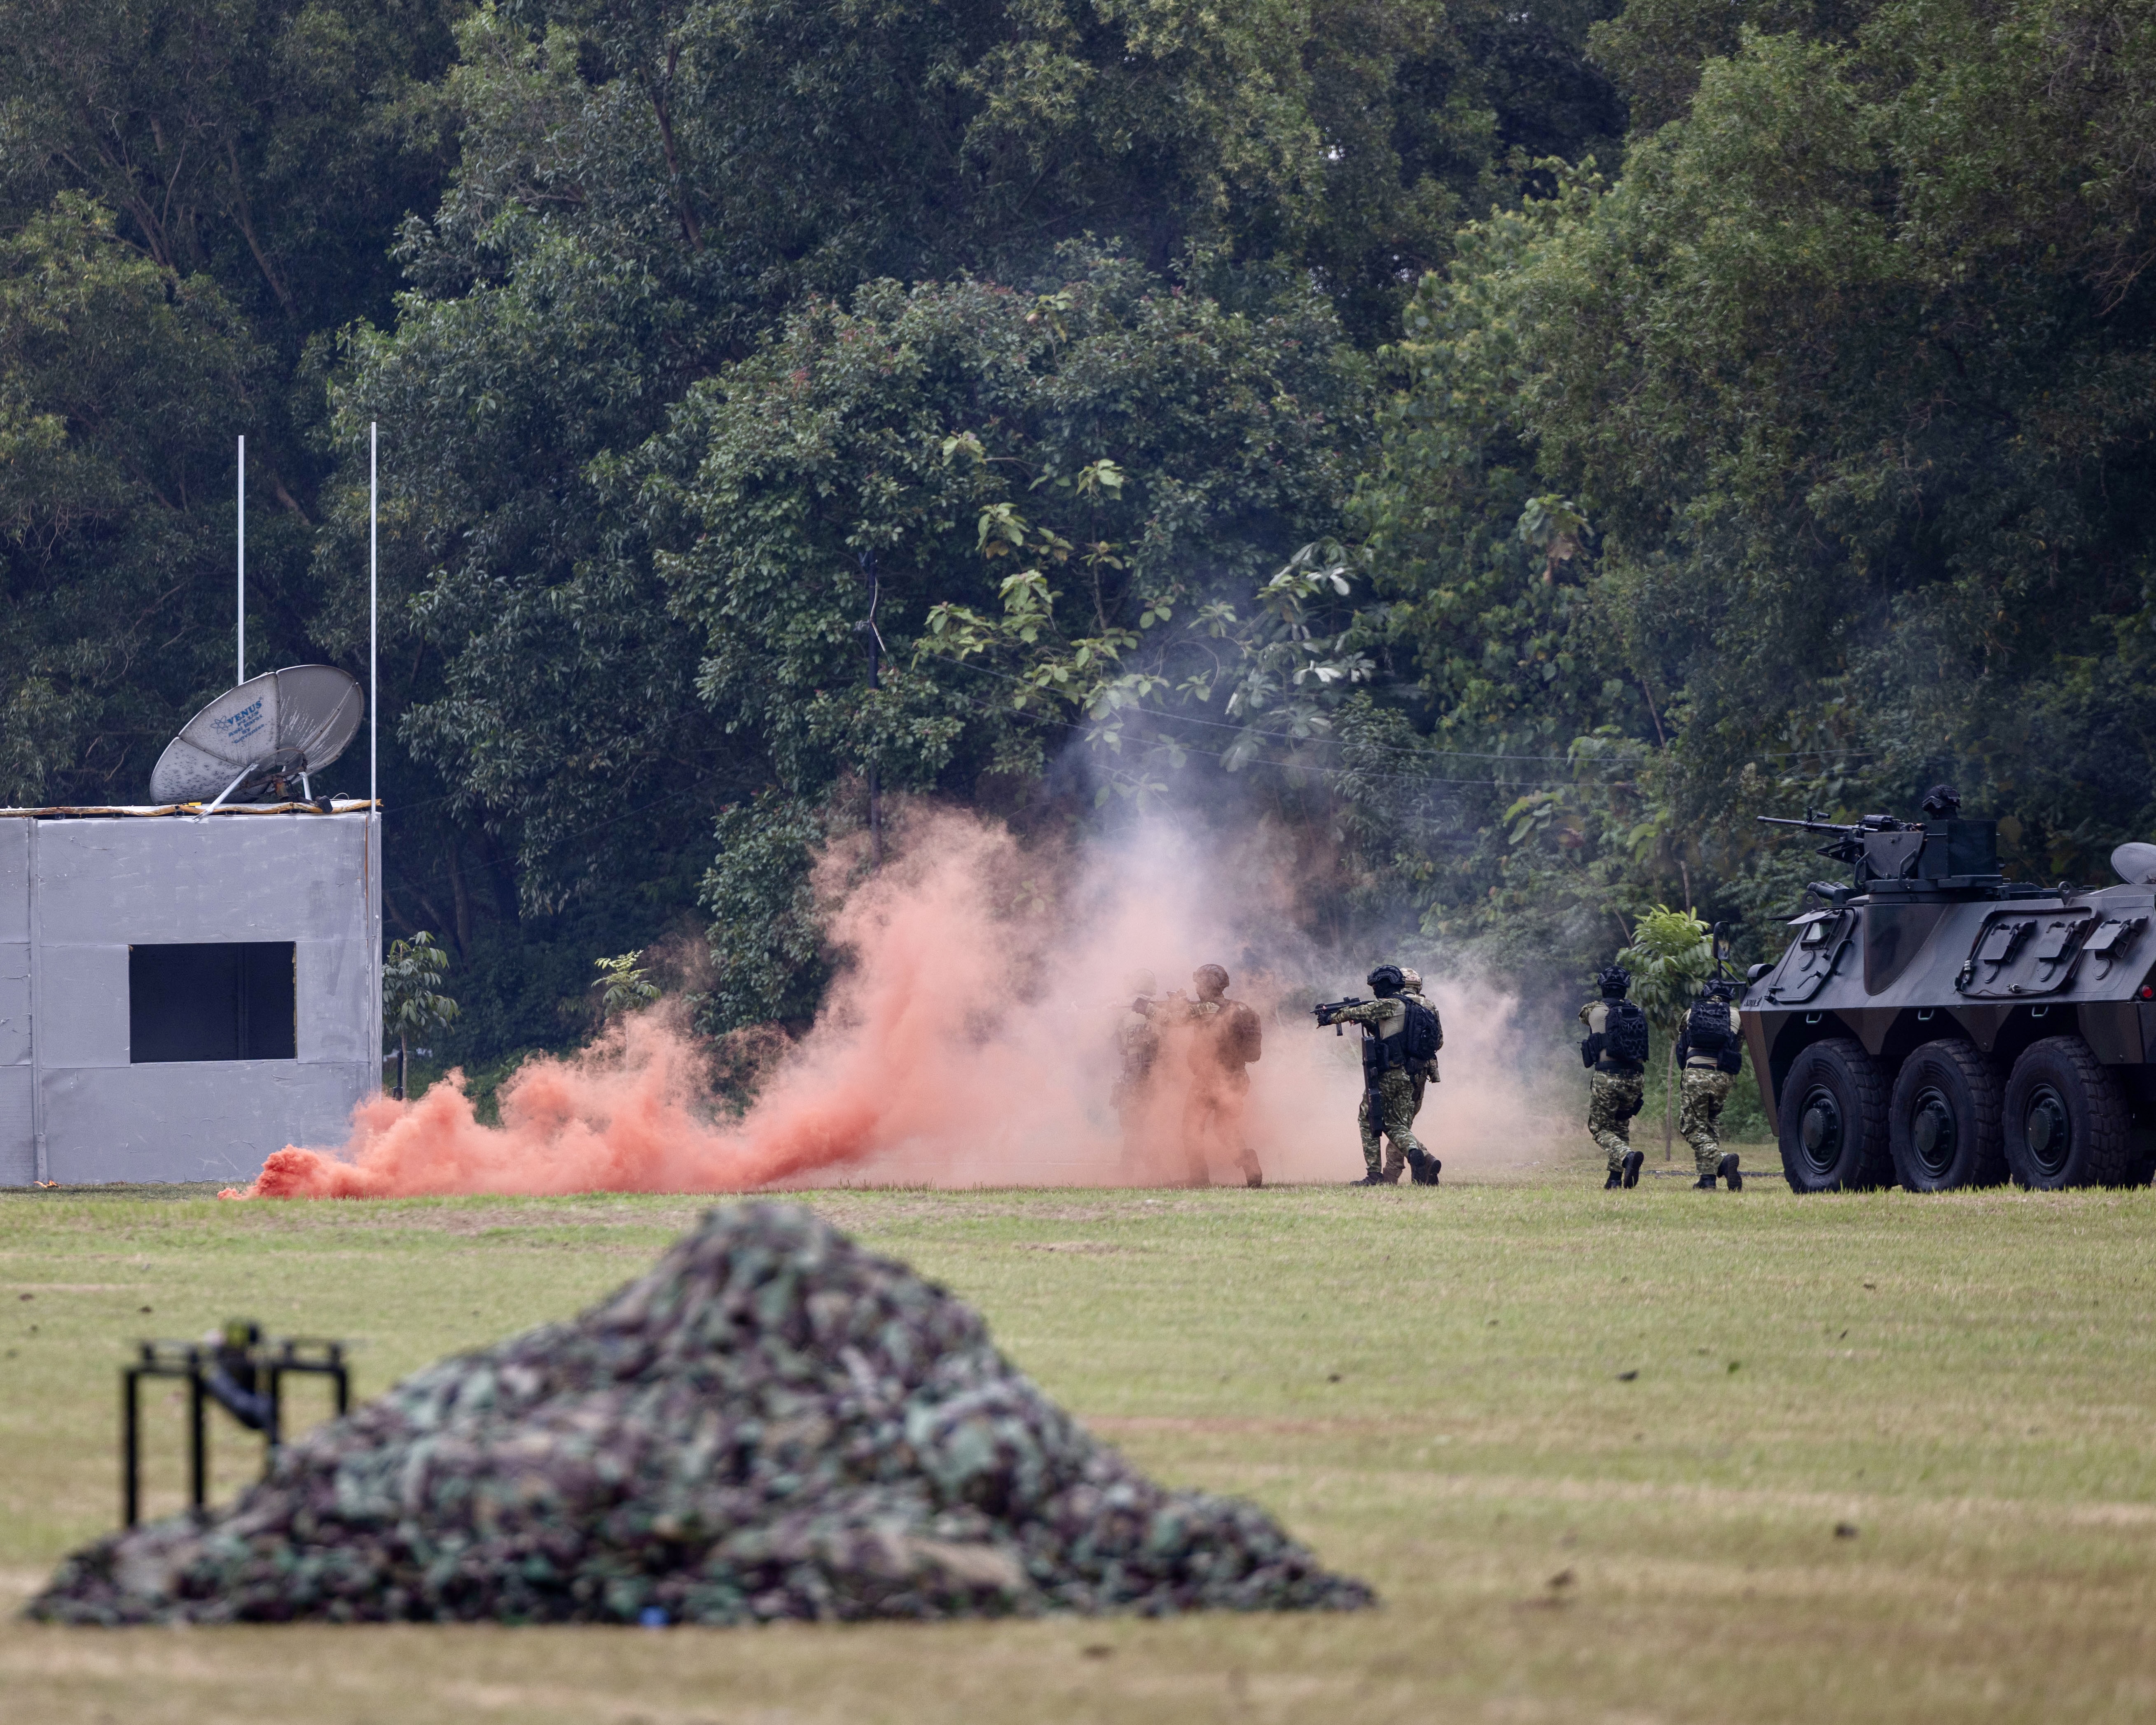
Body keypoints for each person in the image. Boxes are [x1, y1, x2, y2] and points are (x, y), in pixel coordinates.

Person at [1322, 965, 1440, 1187]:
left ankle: (1376, 1174)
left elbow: (1357, 1011)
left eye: (1377, 986)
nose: (1375, 991)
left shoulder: (1390, 1004)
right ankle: (1422, 1157)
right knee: (1400, 1124)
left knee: (1368, 1117)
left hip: (1391, 1073)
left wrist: (1331, 1017)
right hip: (1416, 1074)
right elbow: (1438, 1042)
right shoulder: (1426, 1007)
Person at [1180, 964, 1264, 1187]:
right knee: (1225, 1128)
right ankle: (1248, 1161)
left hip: (1209, 1079)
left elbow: (1170, 1021)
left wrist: (1144, 1008)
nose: (1197, 988)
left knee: (1192, 1127)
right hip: (1237, 1079)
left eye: (1200, 983)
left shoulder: (1204, 1009)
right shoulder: (1242, 1009)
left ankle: (1199, 1179)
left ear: (1207, 984)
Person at [1578, 965, 1649, 1189]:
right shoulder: (1638, 1011)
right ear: (1626, 988)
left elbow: (1583, 1017)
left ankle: (1627, 1157)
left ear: (1603, 986)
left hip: (1608, 1076)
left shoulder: (1594, 1011)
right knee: (1620, 1125)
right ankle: (1615, 1180)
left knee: (1599, 1128)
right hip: (1636, 1078)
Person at [1675, 976, 1744, 1190]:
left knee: (1691, 1127)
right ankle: (1708, 1179)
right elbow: (1737, 1045)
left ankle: (1722, 1160)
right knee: (1710, 1123)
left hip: (1696, 1073)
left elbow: (1682, 1046)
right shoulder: (1737, 1015)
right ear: (1728, 997)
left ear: (1706, 993)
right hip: (1722, 1076)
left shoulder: (1691, 1013)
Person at [1111, 969, 1165, 1175]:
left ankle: (1137, 1169)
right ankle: (1139, 1168)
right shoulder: (1158, 1011)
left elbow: (1121, 1047)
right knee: (1140, 1123)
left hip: (1136, 1074)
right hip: (1153, 1074)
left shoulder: (1128, 1014)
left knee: (1133, 1123)